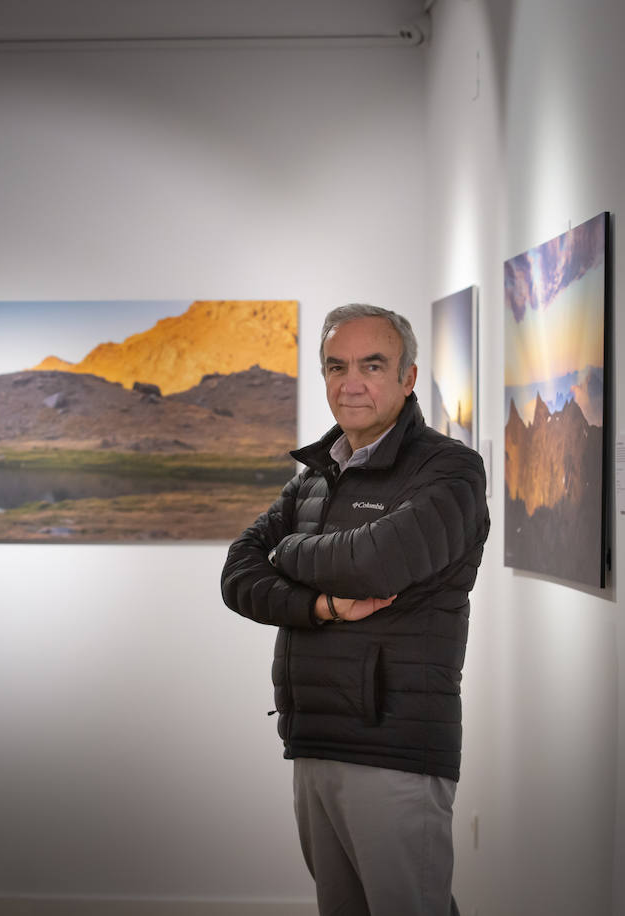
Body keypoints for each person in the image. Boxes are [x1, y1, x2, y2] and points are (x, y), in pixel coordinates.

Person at [221, 304, 490, 916]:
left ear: (409, 377)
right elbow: (238, 573)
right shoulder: (317, 475)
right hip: (313, 737)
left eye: (373, 364)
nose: (352, 382)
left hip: (394, 746)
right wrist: (320, 606)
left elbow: (374, 563)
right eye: (336, 366)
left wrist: (286, 549)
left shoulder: (449, 470)